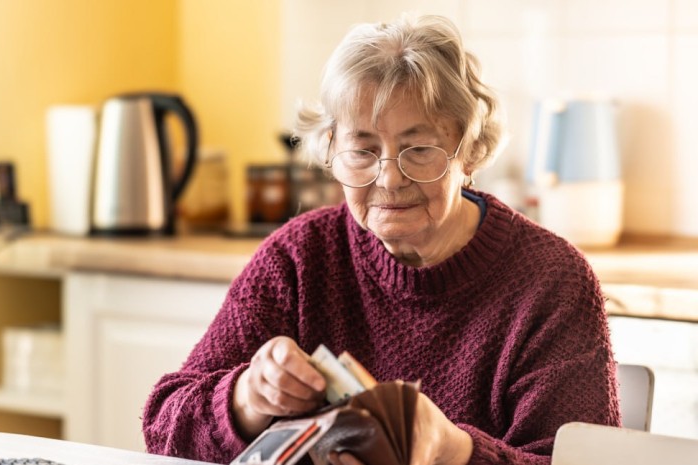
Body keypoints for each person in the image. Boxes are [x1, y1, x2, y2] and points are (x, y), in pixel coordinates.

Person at [142, 14, 620, 465]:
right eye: (363, 150)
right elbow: (162, 426)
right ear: (331, 151)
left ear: (470, 150)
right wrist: (247, 397)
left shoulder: (551, 281)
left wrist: (451, 450)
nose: (389, 179)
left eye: (419, 149)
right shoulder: (300, 256)